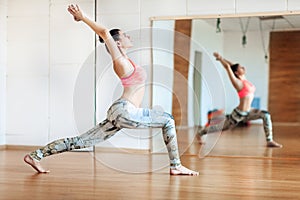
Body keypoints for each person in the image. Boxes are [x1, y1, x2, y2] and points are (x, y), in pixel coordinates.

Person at [23, 4, 199, 176]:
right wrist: (82, 17)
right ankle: (176, 166)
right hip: (125, 111)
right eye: (124, 35)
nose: (128, 36)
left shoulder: (126, 59)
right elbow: (104, 32)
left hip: (122, 111)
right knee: (168, 120)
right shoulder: (119, 61)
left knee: (81, 141)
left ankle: (35, 156)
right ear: (117, 43)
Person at [197, 52, 282, 148]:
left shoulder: (244, 79)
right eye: (241, 68)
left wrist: (224, 58)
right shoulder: (237, 83)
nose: (243, 68)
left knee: (265, 114)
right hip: (238, 114)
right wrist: (220, 59)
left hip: (249, 111)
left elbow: (233, 65)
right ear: (237, 73)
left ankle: (269, 140)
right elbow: (228, 68)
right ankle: (200, 133)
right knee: (219, 128)